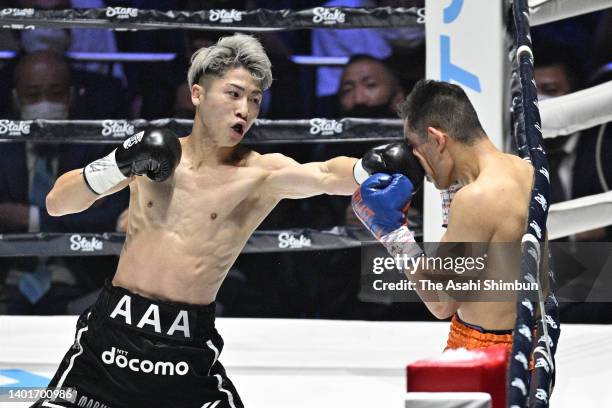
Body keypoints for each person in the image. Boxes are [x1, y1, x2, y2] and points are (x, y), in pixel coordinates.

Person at [34, 34, 362, 408]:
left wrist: (369, 169)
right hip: (108, 344)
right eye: (234, 94)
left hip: (186, 354)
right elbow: (57, 203)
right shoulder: (153, 153)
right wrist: (117, 164)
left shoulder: (260, 173)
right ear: (197, 94)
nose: (246, 109)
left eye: (255, 100)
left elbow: (325, 174)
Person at [351, 79, 540, 351]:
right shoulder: (523, 170)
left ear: (438, 140)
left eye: (414, 147)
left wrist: (393, 234)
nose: (413, 159)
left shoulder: (476, 199)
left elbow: (441, 301)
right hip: (527, 340)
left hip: (488, 350)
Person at [0, 51, 127, 315]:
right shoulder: (3, 149)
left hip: (82, 283)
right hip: (7, 280)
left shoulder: (98, 149)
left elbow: (110, 217)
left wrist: (29, 218)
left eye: (55, 93)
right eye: (33, 95)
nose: (44, 104)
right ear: (16, 98)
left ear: (71, 96)